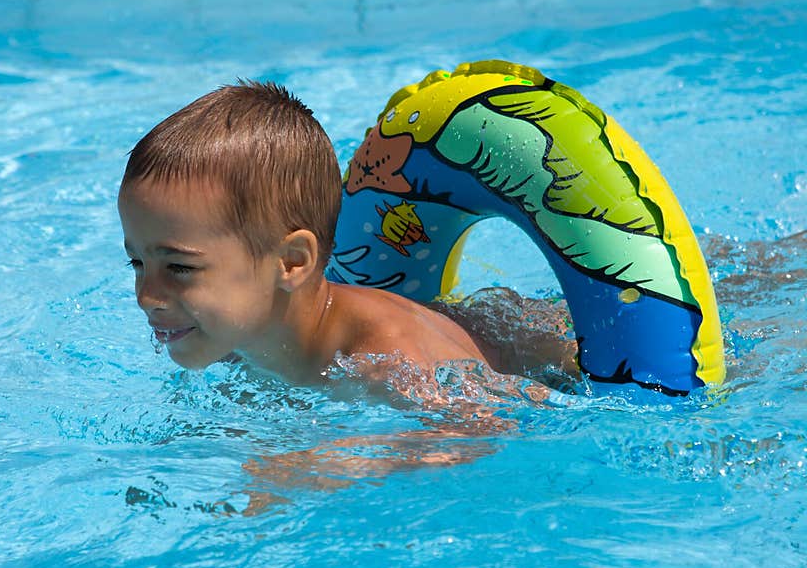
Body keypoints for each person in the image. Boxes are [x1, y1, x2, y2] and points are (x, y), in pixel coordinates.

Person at [117, 79, 575, 393]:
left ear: (292, 262)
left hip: (557, 360)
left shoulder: (389, 363)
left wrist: (339, 462)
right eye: (137, 263)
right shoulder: (232, 345)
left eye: (179, 267)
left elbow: (493, 432)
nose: (147, 296)